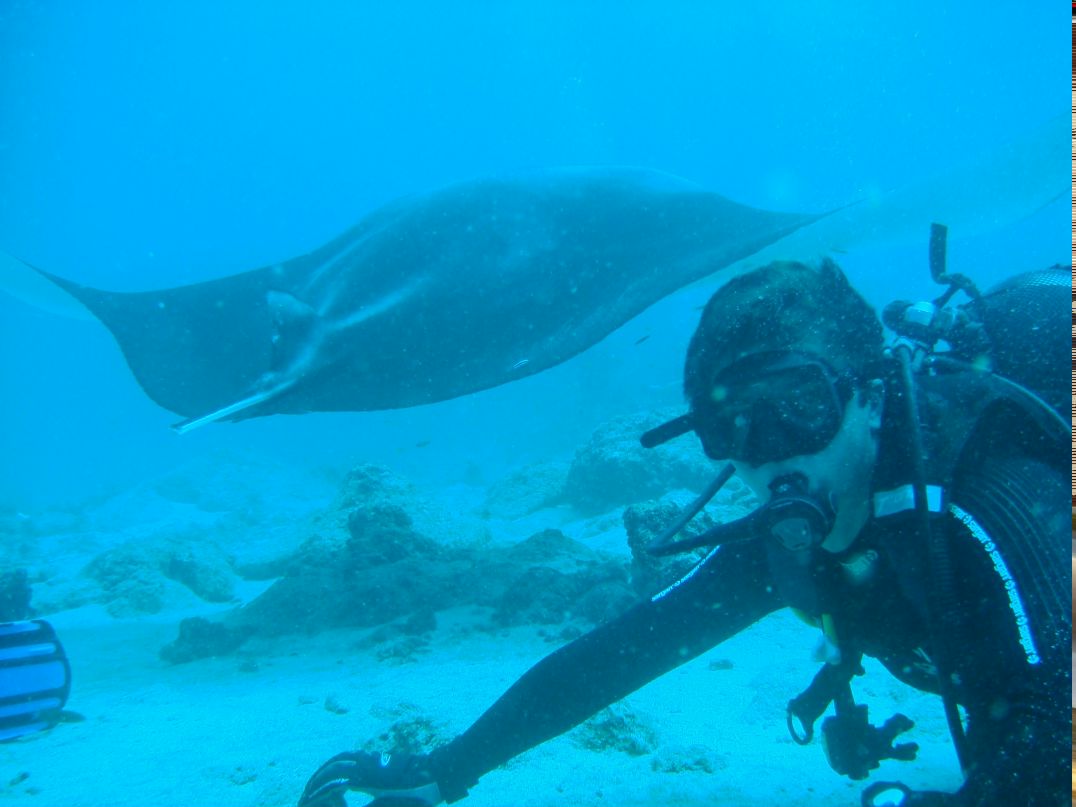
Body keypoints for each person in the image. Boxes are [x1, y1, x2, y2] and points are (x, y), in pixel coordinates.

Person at [297, 258, 1070, 807]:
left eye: (798, 407)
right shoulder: (784, 540)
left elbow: (1057, 721)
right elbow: (631, 647)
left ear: (868, 398)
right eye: (730, 426)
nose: (770, 453)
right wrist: (447, 767)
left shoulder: (984, 490)